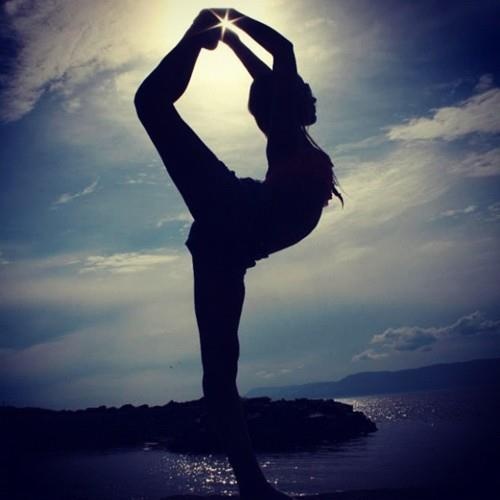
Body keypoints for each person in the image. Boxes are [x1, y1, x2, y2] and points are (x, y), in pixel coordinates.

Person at [134, 9, 342, 499]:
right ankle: (194, 34)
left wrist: (229, 41)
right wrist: (225, 20)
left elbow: (270, 73)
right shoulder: (285, 133)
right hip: (233, 213)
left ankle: (252, 488)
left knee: (220, 372)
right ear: (288, 101)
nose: (305, 90)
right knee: (150, 103)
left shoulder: (289, 133)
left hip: (225, 246)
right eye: (298, 88)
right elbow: (284, 52)